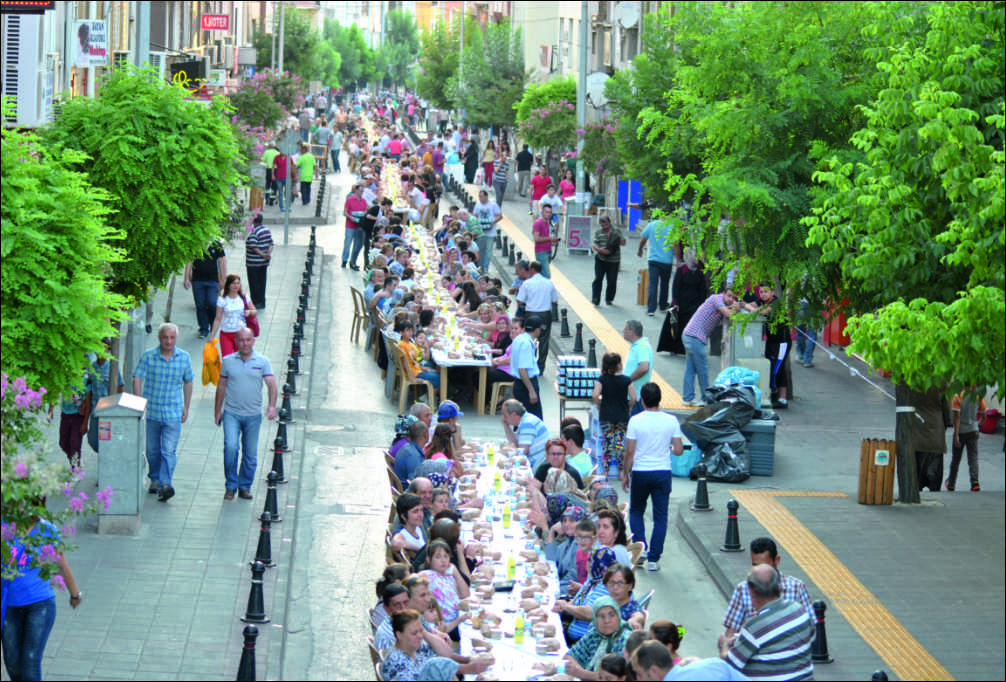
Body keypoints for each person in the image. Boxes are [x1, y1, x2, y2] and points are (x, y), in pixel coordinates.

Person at [1, 519, 82, 681]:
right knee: (12, 662)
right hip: (8, 605)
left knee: (30, 660)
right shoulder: (5, 526)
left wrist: (74, 594)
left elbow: (61, 564)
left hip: (40, 604)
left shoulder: (47, 529)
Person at [622, 382, 684, 572]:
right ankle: (654, 559)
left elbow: (630, 452)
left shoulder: (636, 421)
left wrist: (626, 473)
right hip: (662, 473)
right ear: (660, 399)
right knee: (660, 516)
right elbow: (679, 450)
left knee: (636, 512)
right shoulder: (671, 420)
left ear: (642, 400)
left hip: (641, 472)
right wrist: (671, 448)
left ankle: (640, 551)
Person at [719, 565, 815, 681]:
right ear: (779, 588)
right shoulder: (799, 609)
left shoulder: (755, 626)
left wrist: (723, 646)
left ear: (751, 594)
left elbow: (731, 664)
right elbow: (812, 637)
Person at [132, 323, 194, 502]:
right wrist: (138, 403)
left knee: (168, 450)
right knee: (152, 451)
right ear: (159, 338)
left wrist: (186, 406)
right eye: (165, 337)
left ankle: (166, 484)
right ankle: (155, 478)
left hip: (173, 412)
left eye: (172, 337)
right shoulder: (149, 356)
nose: (168, 341)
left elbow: (188, 382)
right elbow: (137, 377)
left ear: (176, 338)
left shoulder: (184, 358)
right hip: (152, 412)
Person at [214, 327, 278, 501]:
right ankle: (231, 485)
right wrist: (217, 410)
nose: (245, 343)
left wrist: (272, 406)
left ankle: (244, 486)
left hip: (253, 415)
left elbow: (272, 384)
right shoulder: (227, 361)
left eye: (248, 340)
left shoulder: (262, 361)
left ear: (253, 341)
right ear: (236, 341)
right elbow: (221, 386)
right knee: (231, 447)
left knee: (250, 454)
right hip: (231, 414)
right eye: (241, 340)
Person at [721, 536, 814, 640]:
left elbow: (812, 626)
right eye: (756, 566)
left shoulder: (797, 587)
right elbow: (732, 630)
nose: (761, 571)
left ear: (777, 560)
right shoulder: (742, 590)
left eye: (766, 566)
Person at [681, 288, 741, 407]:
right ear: (723, 293)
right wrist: (736, 308)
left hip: (689, 335)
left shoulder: (721, 303)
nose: (731, 300)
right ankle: (706, 398)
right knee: (702, 369)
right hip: (695, 337)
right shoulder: (716, 299)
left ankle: (687, 398)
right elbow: (729, 314)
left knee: (691, 369)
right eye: (729, 296)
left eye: (734, 298)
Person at [563, 598, 634, 680]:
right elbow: (569, 656)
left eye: (611, 615)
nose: (607, 620)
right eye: (601, 616)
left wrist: (581, 673)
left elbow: (613, 677)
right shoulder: (595, 633)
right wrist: (579, 671)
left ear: (618, 616)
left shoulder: (626, 641)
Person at [593, 352, 636, 481]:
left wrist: (600, 404)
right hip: (622, 416)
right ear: (618, 365)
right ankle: (622, 473)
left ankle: (605, 472)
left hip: (606, 415)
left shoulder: (602, 379)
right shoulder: (627, 380)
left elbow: (595, 395)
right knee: (619, 443)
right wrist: (629, 406)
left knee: (607, 443)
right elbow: (634, 397)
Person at [747, 283, 791, 408]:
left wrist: (745, 306)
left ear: (772, 292)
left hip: (782, 342)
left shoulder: (775, 303)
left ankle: (782, 399)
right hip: (771, 341)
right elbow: (753, 306)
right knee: (770, 367)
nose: (763, 294)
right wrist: (742, 305)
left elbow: (761, 312)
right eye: (761, 292)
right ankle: (774, 396)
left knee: (777, 369)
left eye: (766, 291)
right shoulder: (761, 301)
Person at [420, 539, 471, 640]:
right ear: (429, 560)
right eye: (438, 557)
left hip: (459, 618)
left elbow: (465, 594)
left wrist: (456, 572)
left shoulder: (449, 576)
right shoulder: (428, 575)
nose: (443, 560)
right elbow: (412, 577)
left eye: (446, 556)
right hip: (448, 626)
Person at [662, 248, 707, 356]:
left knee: (690, 326)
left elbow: (702, 289)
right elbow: (675, 287)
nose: (698, 259)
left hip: (693, 303)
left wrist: (702, 305)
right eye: (696, 257)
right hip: (681, 303)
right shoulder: (682, 270)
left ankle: (687, 348)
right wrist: (675, 303)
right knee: (676, 324)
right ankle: (674, 348)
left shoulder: (699, 271)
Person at [516, 262, 558, 373]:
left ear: (532, 269)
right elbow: (555, 300)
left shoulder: (527, 283)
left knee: (530, 339)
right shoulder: (549, 283)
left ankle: (530, 364)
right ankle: (541, 366)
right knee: (544, 339)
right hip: (545, 314)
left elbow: (520, 300)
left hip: (530, 314)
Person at [185, 239, 227, 339]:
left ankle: (213, 322)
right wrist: (186, 277)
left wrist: (223, 279)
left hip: (212, 280)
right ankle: (203, 328)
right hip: (198, 280)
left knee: (212, 302)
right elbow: (189, 260)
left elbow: (222, 262)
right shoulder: (195, 243)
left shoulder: (216, 244)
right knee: (200, 304)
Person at [947, 386, 987, 492]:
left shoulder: (958, 397)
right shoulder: (978, 396)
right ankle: (975, 482)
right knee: (973, 458)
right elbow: (984, 416)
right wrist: (977, 425)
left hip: (961, 432)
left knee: (956, 459)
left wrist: (956, 435)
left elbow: (957, 417)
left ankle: (951, 483)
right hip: (973, 430)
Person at [209, 274, 256, 358]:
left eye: (238, 283)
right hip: (226, 334)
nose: (236, 286)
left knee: (241, 358)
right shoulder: (222, 300)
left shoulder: (244, 297)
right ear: (228, 285)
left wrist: (249, 312)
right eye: (233, 283)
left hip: (241, 334)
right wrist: (212, 336)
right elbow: (218, 319)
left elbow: (254, 311)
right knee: (227, 359)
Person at [508, 316, 545, 419]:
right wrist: (531, 391)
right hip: (526, 384)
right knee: (535, 419)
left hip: (519, 384)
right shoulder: (526, 344)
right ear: (537, 330)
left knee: (520, 420)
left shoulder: (519, 339)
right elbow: (522, 369)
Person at [638, 216, 675, 316]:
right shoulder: (672, 227)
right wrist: (679, 258)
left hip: (653, 260)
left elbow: (643, 239)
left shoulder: (651, 225)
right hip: (667, 260)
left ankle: (651, 309)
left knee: (653, 284)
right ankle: (662, 306)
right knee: (664, 284)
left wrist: (640, 249)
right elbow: (675, 244)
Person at [501, 399, 551, 470]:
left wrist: (505, 453)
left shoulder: (527, 424)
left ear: (514, 414)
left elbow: (521, 452)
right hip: (536, 461)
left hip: (538, 464)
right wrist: (506, 426)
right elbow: (515, 442)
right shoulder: (525, 420)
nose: (503, 418)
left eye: (505, 415)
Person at [591, 216, 626, 306]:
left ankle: (609, 298)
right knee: (598, 278)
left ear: (609, 223)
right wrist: (599, 250)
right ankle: (596, 298)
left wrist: (616, 239)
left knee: (612, 280)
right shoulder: (598, 232)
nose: (605, 227)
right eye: (602, 225)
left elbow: (623, 243)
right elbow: (594, 244)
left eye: (606, 224)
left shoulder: (616, 230)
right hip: (601, 259)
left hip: (613, 260)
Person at [622, 320, 653, 415]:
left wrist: (627, 380)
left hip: (637, 396)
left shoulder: (641, 347)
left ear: (632, 332)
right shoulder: (637, 346)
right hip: (633, 395)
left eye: (626, 329)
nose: (623, 331)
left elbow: (644, 367)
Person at [245, 215, 273, 310]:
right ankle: (262, 301)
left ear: (254, 221)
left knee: (254, 283)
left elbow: (253, 246)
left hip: (253, 263)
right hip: (264, 263)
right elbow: (271, 243)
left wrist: (263, 255)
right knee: (262, 282)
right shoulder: (267, 230)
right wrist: (268, 254)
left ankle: (256, 302)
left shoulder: (254, 232)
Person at [470, 189, 502, 272]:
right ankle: (479, 266)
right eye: (479, 197)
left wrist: (493, 222)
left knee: (488, 250)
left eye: (481, 196)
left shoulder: (493, 205)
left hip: (490, 232)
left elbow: (499, 216)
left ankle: (486, 267)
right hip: (480, 232)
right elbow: (474, 216)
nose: (480, 198)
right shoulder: (477, 205)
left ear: (486, 196)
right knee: (479, 249)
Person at [394, 421, 430, 485]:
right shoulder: (414, 456)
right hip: (408, 491)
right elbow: (416, 483)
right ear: (425, 435)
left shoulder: (406, 448)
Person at [343, 183, 369, 270]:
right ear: (356, 190)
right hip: (350, 225)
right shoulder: (350, 200)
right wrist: (351, 217)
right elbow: (345, 212)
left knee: (357, 244)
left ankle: (353, 261)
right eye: (360, 191)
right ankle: (344, 259)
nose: (361, 193)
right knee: (347, 243)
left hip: (359, 226)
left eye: (363, 191)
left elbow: (365, 212)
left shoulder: (364, 201)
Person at [533, 203, 559, 279]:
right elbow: (536, 238)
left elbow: (546, 236)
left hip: (548, 251)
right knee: (546, 275)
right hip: (541, 252)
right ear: (542, 212)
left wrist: (553, 240)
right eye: (546, 212)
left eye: (550, 212)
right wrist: (549, 238)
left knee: (542, 275)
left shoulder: (548, 222)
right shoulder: (538, 223)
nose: (548, 214)